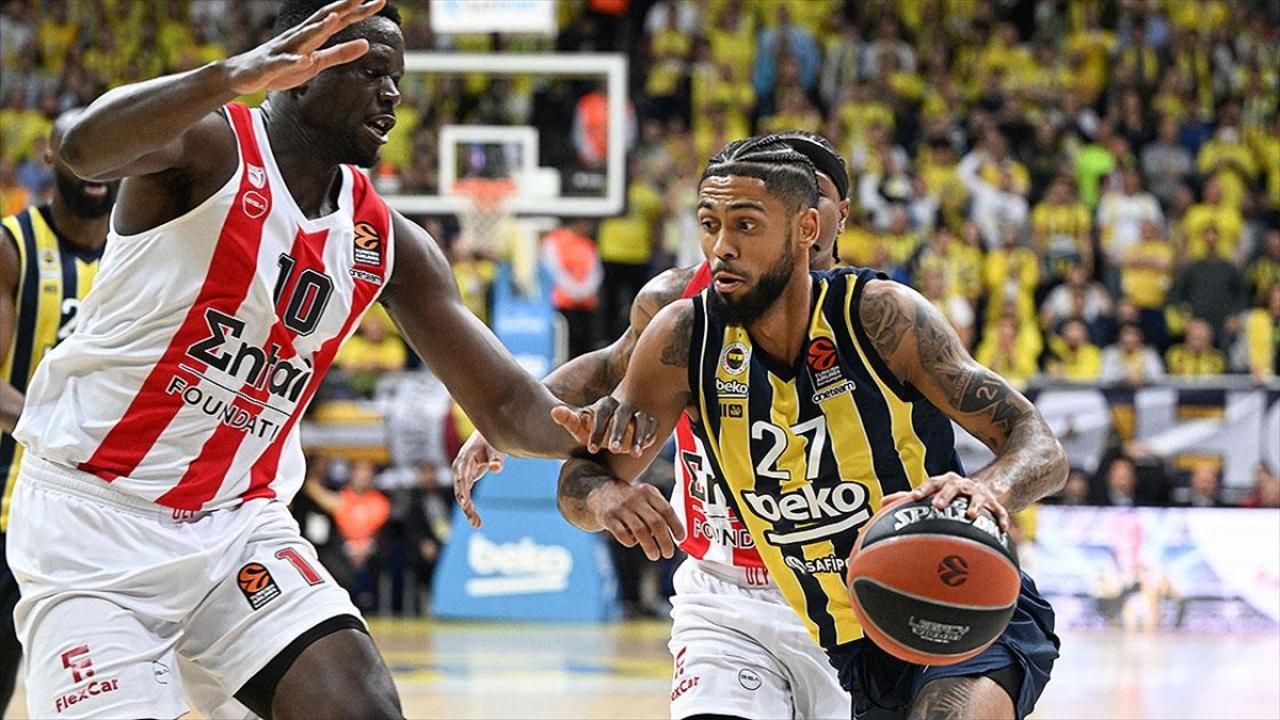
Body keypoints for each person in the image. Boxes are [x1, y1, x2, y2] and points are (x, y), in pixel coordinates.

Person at [6, 2, 621, 718]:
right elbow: (82, 148)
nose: (392, 95)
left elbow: (510, 406)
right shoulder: (211, 147)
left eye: (397, 79)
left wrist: (606, 422)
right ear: (300, 71)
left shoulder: (388, 242)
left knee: (361, 708)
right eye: (371, 72)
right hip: (95, 522)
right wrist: (230, 76)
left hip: (237, 528)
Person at [553, 136, 1065, 719]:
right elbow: (581, 474)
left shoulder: (881, 316)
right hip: (831, 625)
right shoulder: (684, 334)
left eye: (746, 225)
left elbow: (1040, 444)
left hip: (946, 579)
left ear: (809, 228)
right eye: (709, 224)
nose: (722, 247)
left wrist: (986, 489)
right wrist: (604, 495)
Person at [454, 131, 855, 719]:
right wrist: (504, 424)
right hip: (724, 589)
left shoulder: (875, 316)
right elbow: (607, 367)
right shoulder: (680, 302)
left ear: (834, 216)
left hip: (844, 591)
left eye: (812, 194)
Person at [0, 108, 115, 717]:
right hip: (10, 493)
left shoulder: (141, 250)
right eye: (78, 148)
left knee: (96, 682)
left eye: (107, 148)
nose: (94, 166)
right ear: (51, 157)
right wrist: (63, 432)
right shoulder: (13, 245)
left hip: (103, 509)